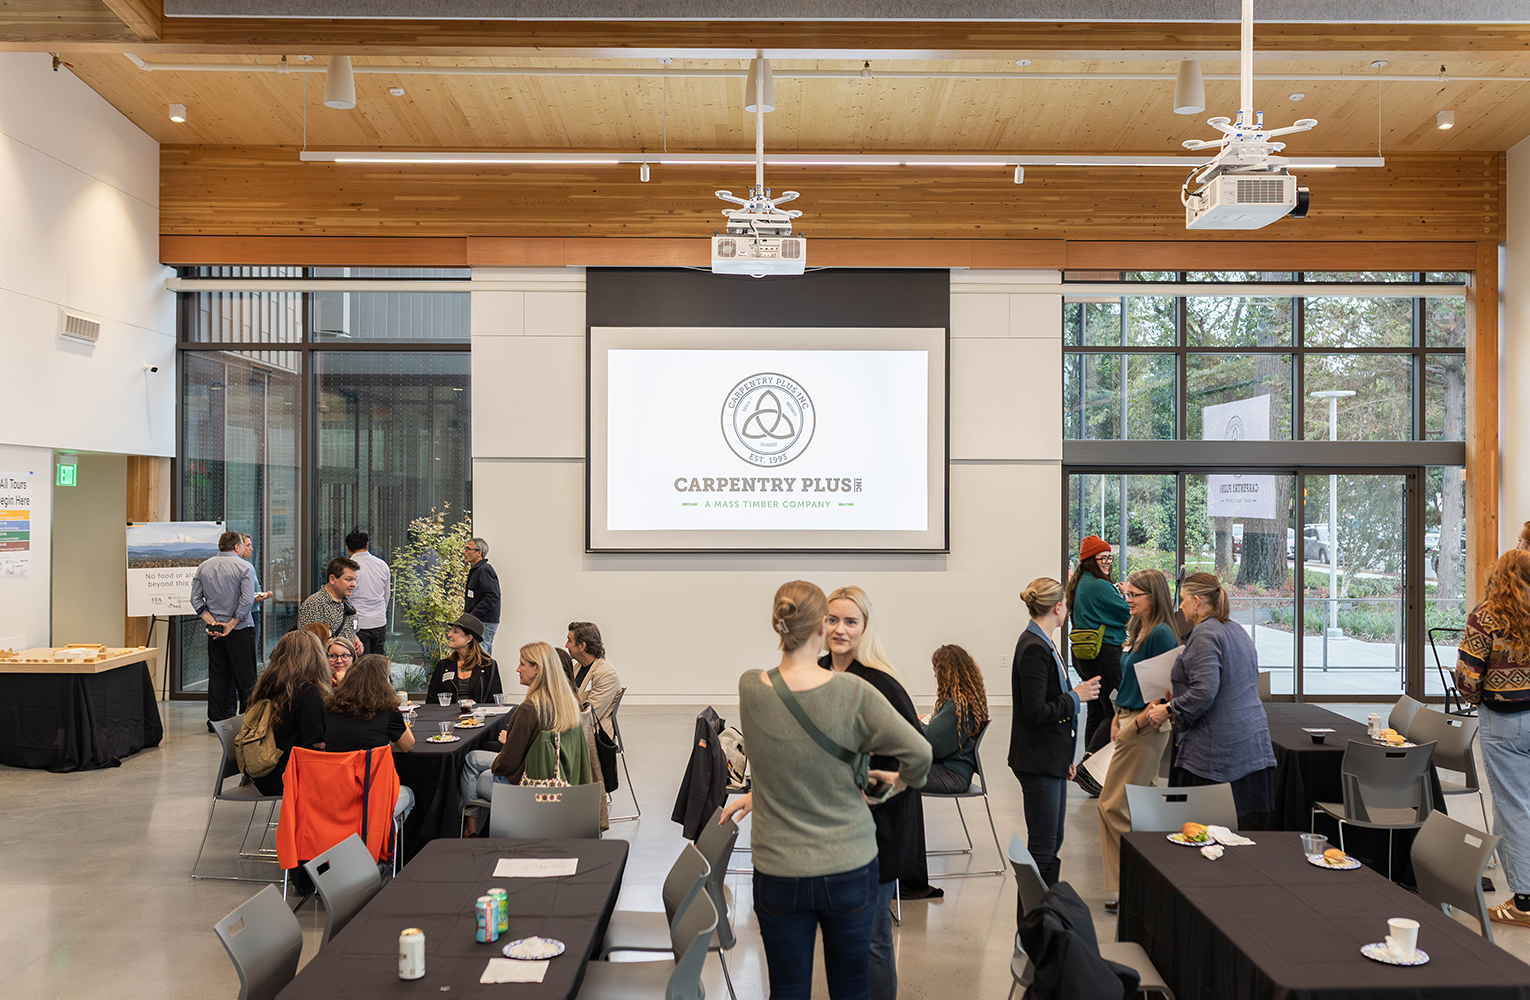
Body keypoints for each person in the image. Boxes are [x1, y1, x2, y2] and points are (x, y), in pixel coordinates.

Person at [721, 581, 931, 1000]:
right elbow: (920, 754)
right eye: (833, 620)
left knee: (786, 987)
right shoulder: (854, 692)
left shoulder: (751, 687)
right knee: (853, 987)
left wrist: (761, 792)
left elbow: (776, 757)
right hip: (849, 862)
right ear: (821, 626)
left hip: (779, 866)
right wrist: (891, 785)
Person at [1142, 572, 1275, 830]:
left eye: (1182, 600)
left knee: (1203, 835)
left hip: (1218, 755)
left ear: (1196, 600)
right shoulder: (1236, 630)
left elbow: (1205, 692)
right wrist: (1181, 693)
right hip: (1252, 747)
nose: (1179, 607)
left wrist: (1168, 709)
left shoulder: (1204, 634)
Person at [1009, 577, 1101, 888]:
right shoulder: (1034, 647)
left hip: (1050, 759)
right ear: (1058, 607)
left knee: (1053, 839)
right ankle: (1034, 919)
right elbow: (1036, 712)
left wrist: (1066, 758)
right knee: (1044, 844)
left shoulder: (1043, 642)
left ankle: (1041, 916)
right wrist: (1077, 696)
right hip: (1037, 761)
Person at [1097, 569, 1179, 912]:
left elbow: (1173, 685)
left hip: (1146, 725)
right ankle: (1143, 880)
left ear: (1153, 597)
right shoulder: (1140, 628)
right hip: (1130, 716)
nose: (1127, 600)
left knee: (1111, 805)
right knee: (1140, 806)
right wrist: (1118, 714)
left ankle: (1122, 886)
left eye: (1135, 595)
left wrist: (1143, 718)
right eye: (1127, 594)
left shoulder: (1160, 634)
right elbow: (1132, 679)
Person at [1456, 550, 1530, 926]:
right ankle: (1506, 867)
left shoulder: (1485, 616)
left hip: (1505, 722)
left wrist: (1476, 695)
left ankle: (1524, 902)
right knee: (1519, 803)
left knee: (1514, 806)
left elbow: (1468, 679)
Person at [460, 641, 592, 836]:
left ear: (536, 668)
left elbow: (508, 763)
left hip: (529, 792)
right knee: (474, 759)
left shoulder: (530, 708)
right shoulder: (568, 705)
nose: (517, 669)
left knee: (479, 773)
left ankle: (470, 830)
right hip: (563, 784)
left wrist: (495, 765)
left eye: (522, 664)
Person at [322, 652, 416, 821]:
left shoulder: (331, 708)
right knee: (409, 795)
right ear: (384, 682)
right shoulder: (386, 711)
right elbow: (407, 745)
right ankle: (382, 840)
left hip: (334, 795)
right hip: (373, 796)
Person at [1065, 535, 1130, 757]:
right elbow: (1126, 612)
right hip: (1106, 653)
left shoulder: (1079, 584)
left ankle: (1087, 765)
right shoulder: (1100, 585)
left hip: (1084, 656)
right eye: (1102, 557)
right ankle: (1092, 761)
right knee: (1114, 710)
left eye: (1109, 557)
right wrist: (1127, 594)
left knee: (1095, 710)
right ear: (1090, 560)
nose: (1107, 562)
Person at [247, 631, 331, 796]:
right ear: (316, 658)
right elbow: (318, 742)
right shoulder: (308, 693)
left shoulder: (268, 685)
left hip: (265, 772)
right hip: (287, 774)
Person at [189, 530, 257, 731]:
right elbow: (247, 600)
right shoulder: (244, 566)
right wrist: (232, 623)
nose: (246, 548)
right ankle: (248, 721)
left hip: (215, 631)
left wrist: (212, 622)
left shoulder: (203, 567)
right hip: (240, 629)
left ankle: (216, 721)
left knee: (218, 675)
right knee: (246, 677)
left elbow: (195, 599)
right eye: (244, 546)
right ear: (237, 547)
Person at [922, 644, 990, 795]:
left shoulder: (958, 705)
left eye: (936, 670)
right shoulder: (967, 700)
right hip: (954, 772)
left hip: (951, 776)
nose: (935, 676)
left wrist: (915, 724)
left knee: (889, 773)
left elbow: (932, 745)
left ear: (946, 672)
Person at [426, 612, 503, 705]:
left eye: (455, 631)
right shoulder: (443, 665)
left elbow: (496, 702)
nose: (449, 634)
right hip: (447, 718)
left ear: (469, 638)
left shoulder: (489, 665)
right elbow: (431, 702)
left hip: (479, 718)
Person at [297, 557, 362, 655]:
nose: (353, 584)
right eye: (348, 580)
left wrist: (356, 642)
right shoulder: (314, 604)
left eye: (355, 580)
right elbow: (308, 644)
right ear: (332, 579)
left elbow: (351, 630)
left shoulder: (347, 602)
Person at [567, 621, 621, 738]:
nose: (566, 645)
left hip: (592, 736)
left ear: (582, 646)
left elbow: (589, 717)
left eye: (569, 641)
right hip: (575, 727)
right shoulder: (577, 667)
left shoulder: (606, 673)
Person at [346, 530, 391, 656]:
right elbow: (386, 595)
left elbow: (344, 599)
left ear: (348, 548)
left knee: (361, 666)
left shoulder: (347, 568)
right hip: (379, 622)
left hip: (358, 623)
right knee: (378, 663)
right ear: (367, 545)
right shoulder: (382, 565)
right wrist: (380, 612)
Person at [237, 533, 273, 660]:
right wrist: (257, 598)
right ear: (238, 547)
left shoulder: (247, 565)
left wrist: (260, 595)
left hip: (250, 611)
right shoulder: (243, 567)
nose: (251, 549)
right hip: (248, 614)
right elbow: (243, 596)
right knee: (246, 653)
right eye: (248, 545)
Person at [463, 537, 501, 653]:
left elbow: (493, 596)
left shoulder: (484, 570)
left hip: (484, 621)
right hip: (478, 620)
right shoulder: (476, 570)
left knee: (478, 654)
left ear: (479, 553)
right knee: (482, 655)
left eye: (468, 549)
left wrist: (474, 614)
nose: (464, 552)